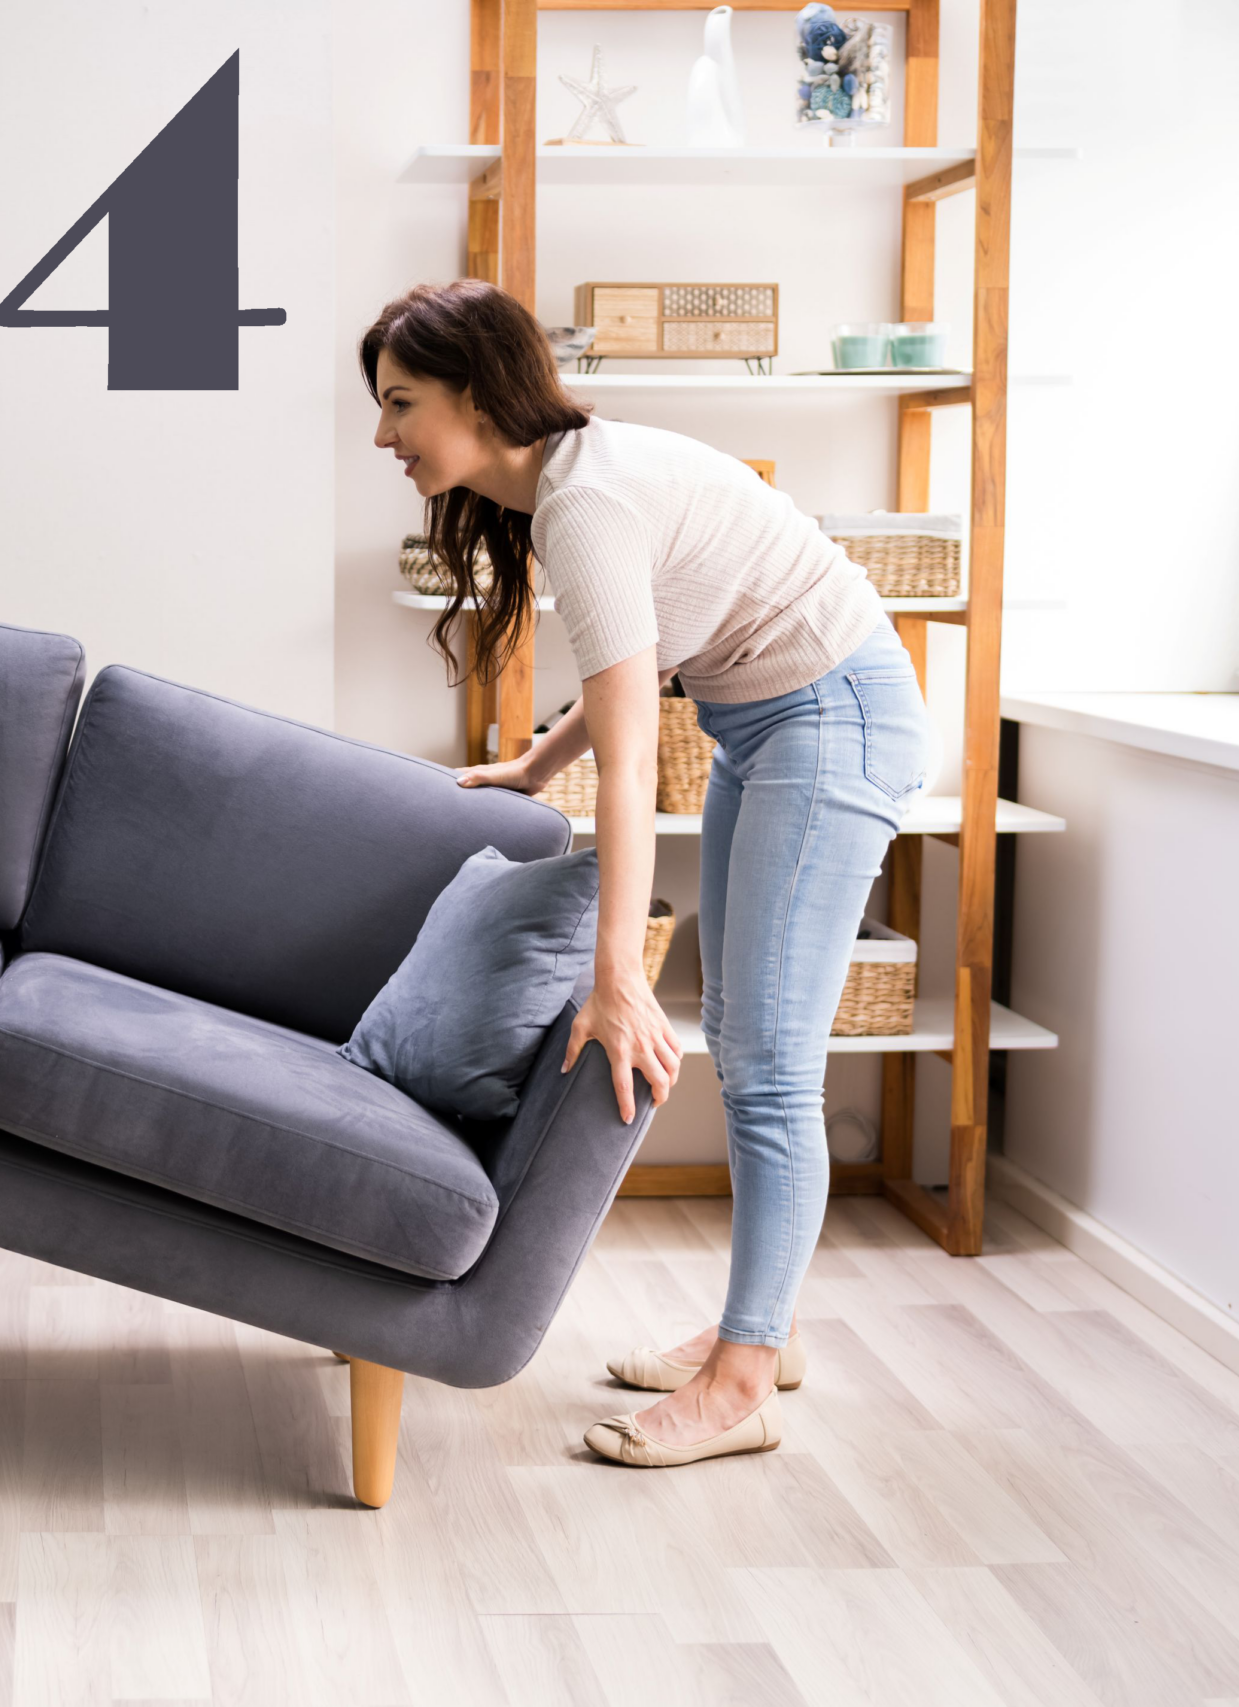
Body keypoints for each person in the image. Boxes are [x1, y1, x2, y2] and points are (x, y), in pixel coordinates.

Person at [360, 279, 929, 1468]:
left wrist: (616, 976)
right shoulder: (567, 486)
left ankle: (740, 1380)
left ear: (476, 392)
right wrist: (529, 762)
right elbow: (639, 673)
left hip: (830, 723)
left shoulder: (587, 503)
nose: (383, 436)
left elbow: (628, 777)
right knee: (744, 1032)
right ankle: (756, 1337)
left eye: (401, 403)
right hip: (766, 722)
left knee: (769, 1063)